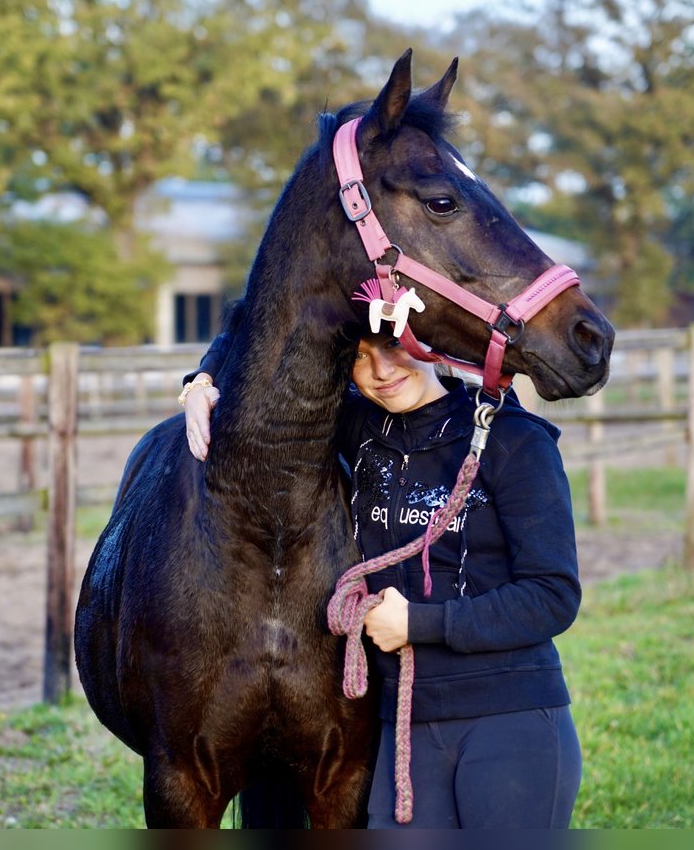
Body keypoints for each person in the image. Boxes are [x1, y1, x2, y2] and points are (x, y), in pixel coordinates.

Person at [180, 328, 583, 829]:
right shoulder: (358, 429)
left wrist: (417, 624)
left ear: (430, 344)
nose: (382, 371)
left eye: (394, 347)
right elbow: (268, 319)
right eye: (359, 356)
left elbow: (553, 596)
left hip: (508, 717)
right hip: (405, 729)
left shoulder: (512, 441)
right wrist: (201, 381)